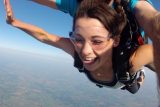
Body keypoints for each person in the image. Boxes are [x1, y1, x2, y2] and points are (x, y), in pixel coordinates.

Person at [4, 0, 154, 94]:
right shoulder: (76, 50)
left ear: (114, 40)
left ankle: (140, 75)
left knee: (133, 88)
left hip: (125, 76)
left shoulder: (131, 60)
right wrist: (15, 23)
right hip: (116, 78)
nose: (84, 52)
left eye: (97, 41)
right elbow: (45, 36)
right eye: (78, 39)